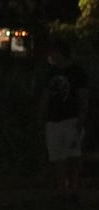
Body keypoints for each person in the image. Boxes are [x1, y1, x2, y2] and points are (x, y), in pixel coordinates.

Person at [40, 41, 90, 199]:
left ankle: (73, 188)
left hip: (71, 119)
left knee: (72, 155)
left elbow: (83, 97)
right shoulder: (51, 73)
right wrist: (42, 113)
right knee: (57, 156)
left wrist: (81, 118)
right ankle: (62, 188)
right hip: (53, 120)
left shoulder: (77, 73)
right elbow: (46, 95)